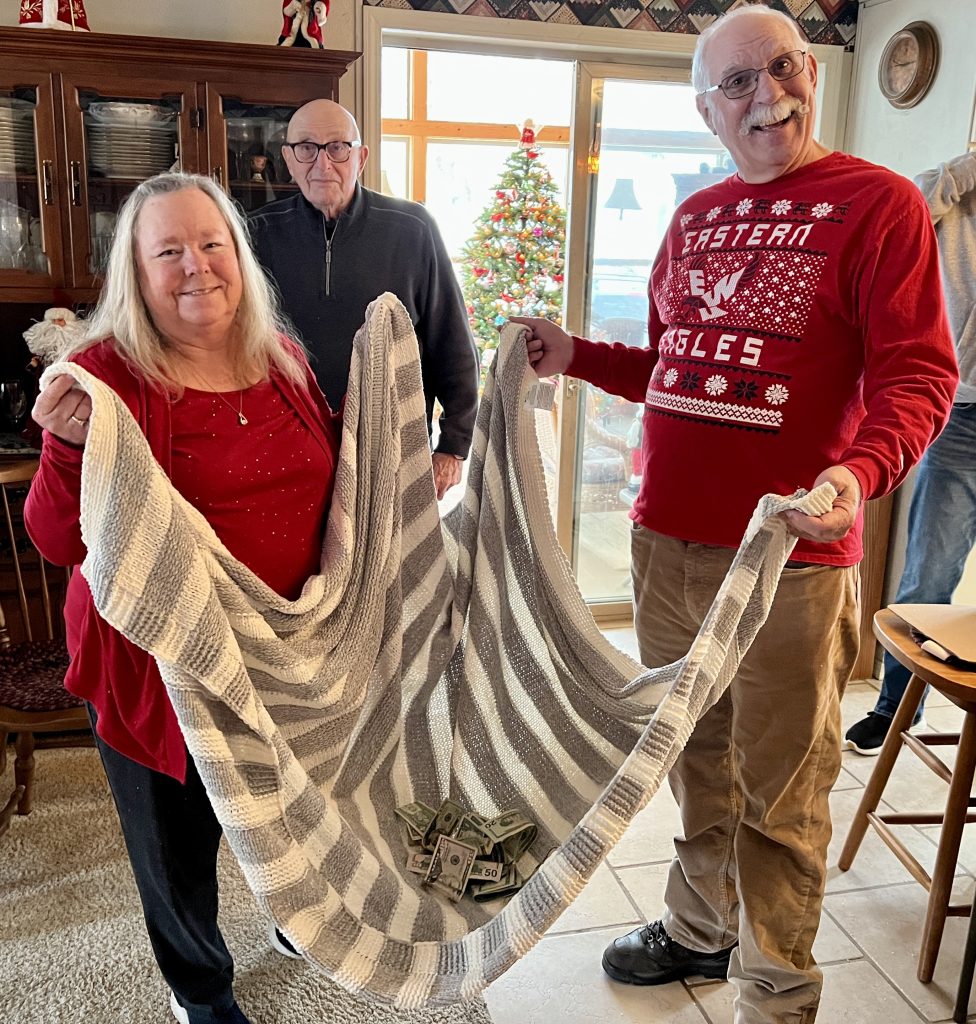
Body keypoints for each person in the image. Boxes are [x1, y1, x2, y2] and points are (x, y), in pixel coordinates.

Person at [513, 5, 958, 1022]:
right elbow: (674, 368)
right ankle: (697, 931)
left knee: (781, 793)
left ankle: (776, 993)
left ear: (808, 71)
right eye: (737, 84)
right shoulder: (695, 216)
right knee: (691, 757)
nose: (767, 94)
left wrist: (859, 469)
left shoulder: (878, 204)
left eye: (783, 68)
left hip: (786, 561)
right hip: (663, 543)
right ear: (707, 110)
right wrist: (577, 355)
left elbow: (918, 375)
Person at [25, 172, 341, 1024]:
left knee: (290, 812)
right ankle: (198, 987)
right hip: (159, 671)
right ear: (136, 270)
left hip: (281, 654)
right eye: (169, 250)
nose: (197, 266)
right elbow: (58, 540)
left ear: (239, 256)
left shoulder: (283, 357)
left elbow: (337, 481)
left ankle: (296, 923)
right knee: (177, 844)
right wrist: (61, 450)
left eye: (213, 243)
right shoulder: (100, 374)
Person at [249, 99, 479, 500]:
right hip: (287, 448)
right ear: (287, 158)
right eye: (306, 148)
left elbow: (452, 341)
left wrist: (453, 446)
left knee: (391, 563)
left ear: (362, 157)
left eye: (338, 147)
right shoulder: (256, 233)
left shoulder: (413, 229)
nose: (322, 164)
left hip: (391, 450)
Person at [845, 150, 976, 756]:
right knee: (928, 574)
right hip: (963, 416)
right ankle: (895, 707)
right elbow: (905, 207)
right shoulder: (951, 195)